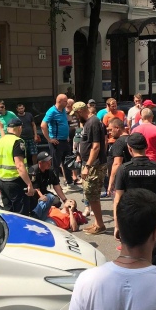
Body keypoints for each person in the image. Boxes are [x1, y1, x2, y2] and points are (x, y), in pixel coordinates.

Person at [113, 132, 156, 269]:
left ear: (129, 149)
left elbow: (117, 201)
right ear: (146, 147)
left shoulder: (123, 170)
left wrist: (117, 225)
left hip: (131, 220)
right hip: (154, 219)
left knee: (131, 259)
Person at [73, 101, 108, 235]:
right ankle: (97, 223)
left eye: (76, 114)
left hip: (94, 165)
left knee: (92, 194)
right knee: (90, 194)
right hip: (90, 164)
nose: (75, 117)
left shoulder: (93, 122)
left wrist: (87, 166)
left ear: (80, 112)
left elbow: (96, 146)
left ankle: (100, 225)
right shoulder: (88, 122)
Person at [0, 117, 34, 214]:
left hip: (2, 180)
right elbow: (19, 165)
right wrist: (29, 184)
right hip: (16, 181)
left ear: (8, 129)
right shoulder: (18, 141)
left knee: (8, 212)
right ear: (20, 128)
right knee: (21, 213)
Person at [41, 94, 73, 187]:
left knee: (68, 161)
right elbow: (43, 125)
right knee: (56, 164)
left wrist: (67, 135)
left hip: (65, 140)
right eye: (65, 101)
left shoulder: (63, 110)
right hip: (57, 141)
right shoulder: (52, 111)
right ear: (59, 101)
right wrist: (49, 139)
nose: (67, 103)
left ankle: (69, 182)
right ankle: (56, 184)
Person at [28, 151, 69, 215]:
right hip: (33, 193)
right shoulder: (33, 171)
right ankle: (34, 213)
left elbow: (56, 185)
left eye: (50, 161)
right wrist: (42, 197)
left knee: (56, 201)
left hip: (43, 191)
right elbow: (36, 188)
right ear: (40, 163)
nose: (49, 164)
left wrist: (65, 200)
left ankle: (47, 211)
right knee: (39, 201)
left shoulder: (50, 170)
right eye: (47, 162)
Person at [106, 118, 131, 196]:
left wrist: (110, 183)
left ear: (117, 128)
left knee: (118, 202)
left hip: (120, 181)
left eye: (111, 130)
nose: (109, 133)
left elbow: (117, 164)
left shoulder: (119, 142)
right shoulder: (130, 139)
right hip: (129, 178)